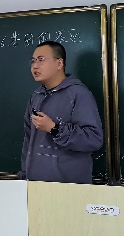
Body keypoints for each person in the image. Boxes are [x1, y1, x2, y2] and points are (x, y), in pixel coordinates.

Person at [20, 41, 103, 184]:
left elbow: (93, 139)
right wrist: (24, 175)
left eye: (41, 60)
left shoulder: (78, 94)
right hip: (35, 185)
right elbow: (28, 141)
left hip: (68, 187)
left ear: (59, 63)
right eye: (33, 61)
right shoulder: (36, 97)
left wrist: (54, 129)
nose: (35, 66)